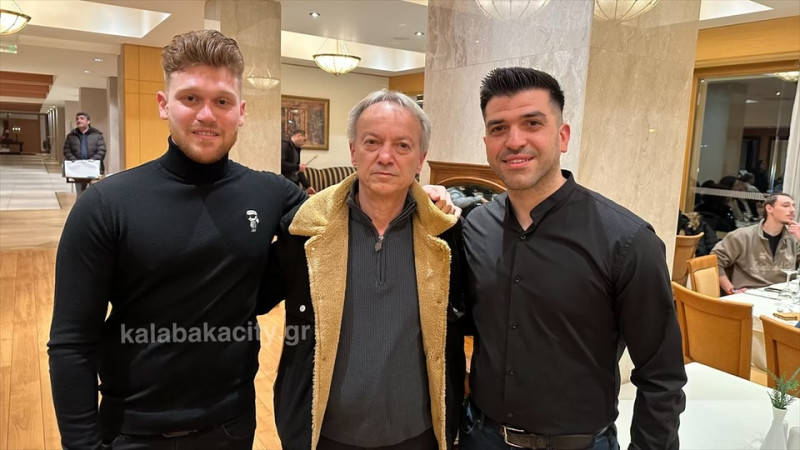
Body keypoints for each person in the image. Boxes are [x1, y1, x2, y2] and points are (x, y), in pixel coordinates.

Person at [48, 30, 309, 450]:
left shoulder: (269, 193)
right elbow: (71, 344)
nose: (207, 114)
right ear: (163, 104)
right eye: (190, 98)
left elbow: (333, 224)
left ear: (241, 112)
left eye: (222, 101)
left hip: (233, 427)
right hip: (133, 432)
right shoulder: (106, 205)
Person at [460, 67, 687, 450]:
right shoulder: (475, 226)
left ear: (562, 136)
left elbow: (661, 375)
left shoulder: (627, 241)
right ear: (486, 142)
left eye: (532, 123)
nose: (514, 141)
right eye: (499, 128)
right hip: (481, 437)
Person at [262, 90, 465, 450]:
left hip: (419, 436)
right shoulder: (305, 231)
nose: (385, 156)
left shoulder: (445, 234)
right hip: (323, 436)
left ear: (421, 158)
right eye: (372, 142)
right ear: (354, 151)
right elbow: (252, 296)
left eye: (402, 145)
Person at [712, 193, 800, 295]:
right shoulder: (742, 236)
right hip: (750, 295)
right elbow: (714, 262)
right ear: (769, 208)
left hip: (784, 296)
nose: (792, 210)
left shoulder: (793, 238)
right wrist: (731, 290)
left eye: (793, 206)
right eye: (786, 206)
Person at [63, 111, 106, 196]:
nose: (79, 120)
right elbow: (66, 151)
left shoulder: (97, 135)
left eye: (82, 118)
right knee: (80, 195)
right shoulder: (71, 136)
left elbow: (101, 150)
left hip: (93, 168)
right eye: (77, 119)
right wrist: (76, 162)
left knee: (93, 194)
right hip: (78, 169)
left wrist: (90, 161)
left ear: (88, 121)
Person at [281, 129, 316, 194]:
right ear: (299, 136)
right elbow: (281, 164)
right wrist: (297, 167)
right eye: (304, 140)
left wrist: (308, 186)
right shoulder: (284, 145)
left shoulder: (297, 149)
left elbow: (298, 171)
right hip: (285, 184)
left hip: (294, 184)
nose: (304, 143)